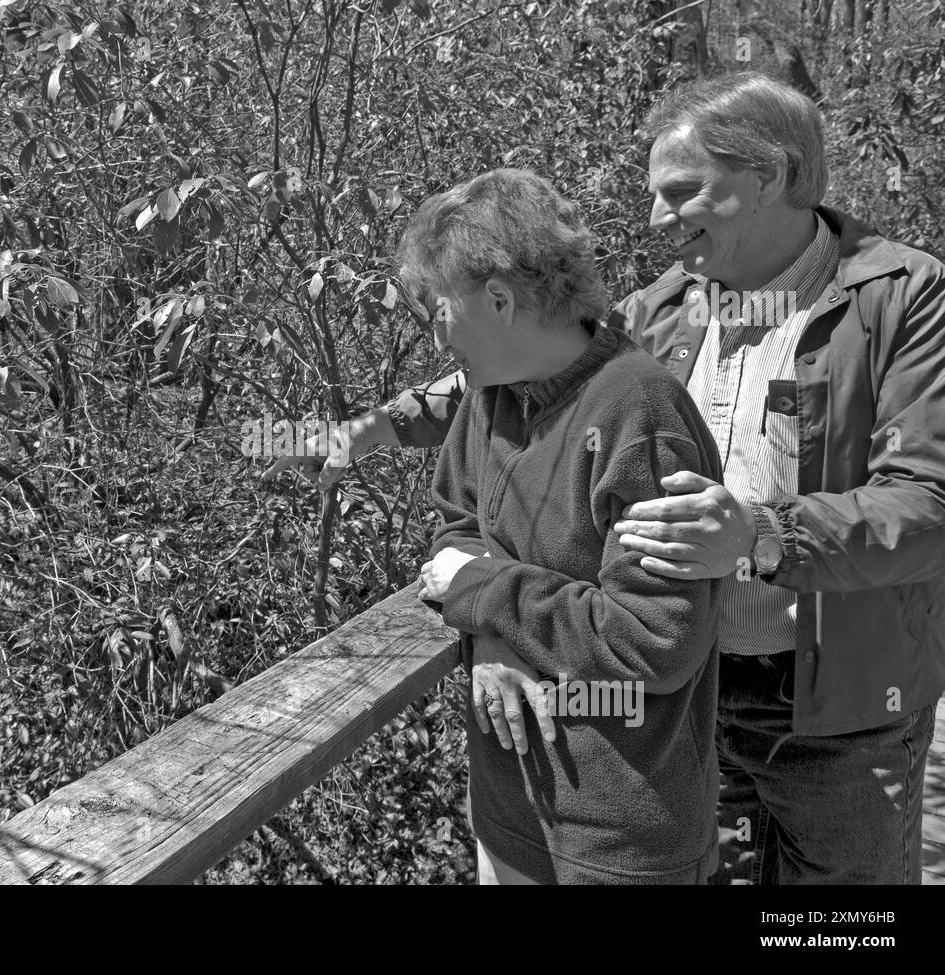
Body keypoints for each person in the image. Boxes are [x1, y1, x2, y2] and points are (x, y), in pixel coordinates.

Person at [267, 72, 945, 885]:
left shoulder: (898, 295)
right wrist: (379, 428)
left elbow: (928, 503)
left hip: (840, 707)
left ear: (768, 174)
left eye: (683, 192)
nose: (658, 218)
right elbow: (540, 367)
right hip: (693, 695)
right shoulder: (670, 306)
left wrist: (764, 534)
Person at [399, 167, 723, 884]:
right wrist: (488, 630)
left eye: (439, 307)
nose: (434, 332)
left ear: (500, 299)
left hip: (621, 842)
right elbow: (456, 531)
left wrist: (485, 592)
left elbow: (655, 641)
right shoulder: (492, 399)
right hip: (508, 814)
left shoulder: (639, 412)